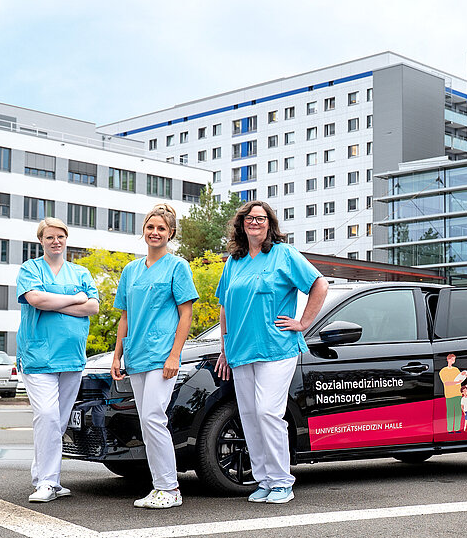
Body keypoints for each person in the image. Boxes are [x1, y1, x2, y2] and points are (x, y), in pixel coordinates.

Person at [214, 200, 329, 504]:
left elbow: (320, 284)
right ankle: (263, 479)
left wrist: (303, 322)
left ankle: (282, 481)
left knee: (268, 412)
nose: (255, 222)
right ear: (242, 224)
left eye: (261, 218)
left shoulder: (284, 254)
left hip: (277, 348)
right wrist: (224, 349)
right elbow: (225, 307)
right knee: (250, 416)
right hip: (240, 351)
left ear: (269, 224)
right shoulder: (233, 262)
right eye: (250, 218)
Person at [111, 204, 198, 509]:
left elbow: (185, 313)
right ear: (143, 231)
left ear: (171, 233)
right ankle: (159, 486)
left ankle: (170, 488)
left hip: (162, 355)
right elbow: (124, 316)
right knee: (147, 423)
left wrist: (175, 355)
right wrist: (117, 356)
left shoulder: (178, 267)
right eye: (151, 227)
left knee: (153, 417)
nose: (155, 232)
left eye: (162, 228)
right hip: (136, 355)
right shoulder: (131, 270)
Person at [16, 217, 99, 502]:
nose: (56, 241)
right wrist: (74, 299)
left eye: (60, 236)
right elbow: (37, 300)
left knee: (57, 422)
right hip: (38, 356)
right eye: (50, 237)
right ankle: (48, 483)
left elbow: (94, 306)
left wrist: (62, 301)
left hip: (71, 358)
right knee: (48, 416)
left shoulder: (80, 272)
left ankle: (44, 477)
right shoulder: (30, 269)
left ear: (66, 239)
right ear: (41, 240)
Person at [437, 354, 465, 433]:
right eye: (452, 359)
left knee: (458, 412)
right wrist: (456, 382)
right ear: (448, 359)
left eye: (454, 359)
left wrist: (463, 375)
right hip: (449, 394)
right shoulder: (443, 371)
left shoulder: (456, 370)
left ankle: (457, 428)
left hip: (457, 393)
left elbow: (460, 378)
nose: (453, 361)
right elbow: (446, 383)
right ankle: (449, 429)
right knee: (450, 412)